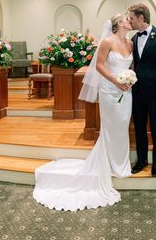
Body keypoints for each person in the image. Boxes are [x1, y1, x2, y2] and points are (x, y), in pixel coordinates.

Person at [33, 13, 133, 211]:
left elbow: (131, 65)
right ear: (119, 24)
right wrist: (115, 80)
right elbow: (99, 65)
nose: (130, 20)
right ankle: (109, 165)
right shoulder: (107, 42)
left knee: (122, 127)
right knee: (110, 127)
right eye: (126, 19)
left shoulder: (130, 44)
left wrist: (129, 80)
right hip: (109, 90)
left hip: (126, 91)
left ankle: (122, 164)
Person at [128, 3, 156, 177]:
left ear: (141, 18)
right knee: (139, 127)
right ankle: (141, 161)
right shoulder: (133, 39)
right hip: (137, 92)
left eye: (132, 18)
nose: (130, 21)